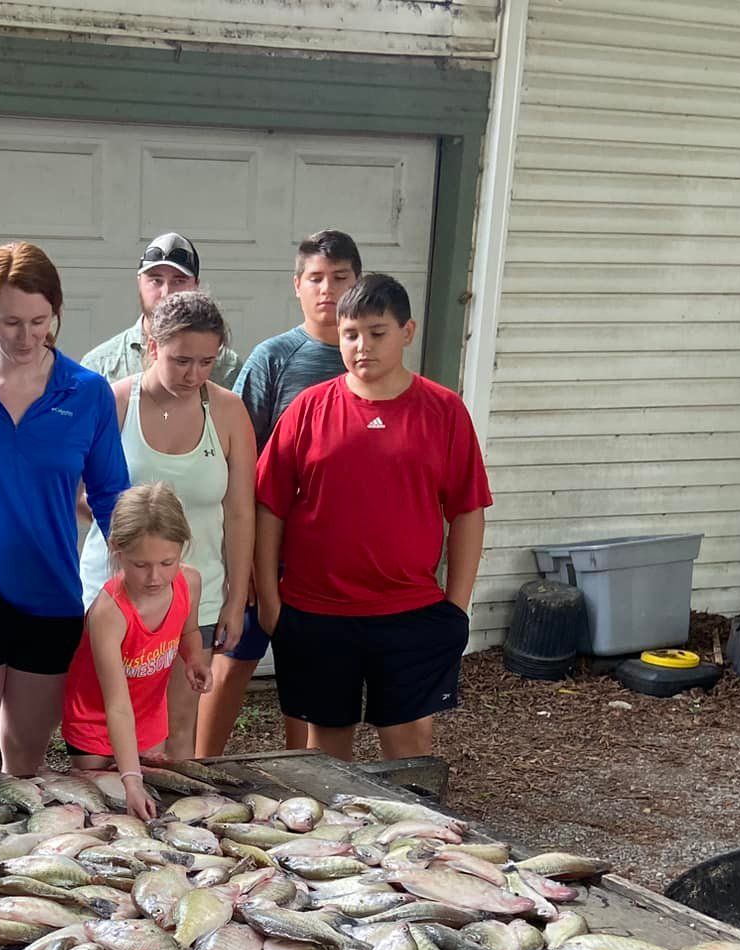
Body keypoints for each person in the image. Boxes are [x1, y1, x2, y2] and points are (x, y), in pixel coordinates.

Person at [254, 274, 491, 763]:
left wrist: (457, 604)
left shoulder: (444, 411)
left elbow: (467, 509)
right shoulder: (308, 410)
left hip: (411, 611)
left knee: (408, 751)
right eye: (350, 334)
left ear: (408, 331)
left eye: (377, 332)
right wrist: (270, 601)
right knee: (327, 751)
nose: (362, 346)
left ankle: (414, 831)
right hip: (317, 612)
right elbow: (268, 506)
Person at [0, 242, 131, 781]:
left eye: (39, 321)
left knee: (26, 761)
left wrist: (133, 585)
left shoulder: (87, 392)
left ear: (56, 314)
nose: (25, 337)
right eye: (10, 322)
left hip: (51, 594)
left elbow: (114, 495)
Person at [76, 291, 256, 762]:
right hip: (116, 592)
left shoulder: (230, 411)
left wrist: (236, 601)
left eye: (206, 362)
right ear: (152, 346)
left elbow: (240, 512)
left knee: (177, 731)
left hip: (197, 594)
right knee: (104, 727)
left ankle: (169, 827)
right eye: (180, 361)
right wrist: (131, 540)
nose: (194, 375)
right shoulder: (114, 401)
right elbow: (77, 495)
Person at [210, 229, 364, 756]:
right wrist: (249, 561)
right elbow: (241, 465)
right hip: (266, 552)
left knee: (308, 677)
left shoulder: (370, 362)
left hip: (330, 564)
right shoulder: (274, 358)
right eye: (316, 279)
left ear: (357, 284)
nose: (328, 290)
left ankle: (303, 771)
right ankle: (201, 765)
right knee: (232, 664)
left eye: (340, 278)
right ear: (297, 286)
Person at [61, 485, 210, 820]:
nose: (155, 576)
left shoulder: (190, 583)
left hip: (148, 717)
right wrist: (131, 780)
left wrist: (194, 658)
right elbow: (116, 706)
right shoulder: (109, 614)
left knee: (146, 805)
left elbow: (189, 630)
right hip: (95, 722)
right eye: (141, 564)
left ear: (181, 550)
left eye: (167, 562)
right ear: (116, 550)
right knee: (104, 809)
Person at [79, 233, 241, 387]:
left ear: (195, 286)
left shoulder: (227, 367)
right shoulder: (100, 366)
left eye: (179, 281)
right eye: (156, 280)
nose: (166, 293)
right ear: (139, 283)